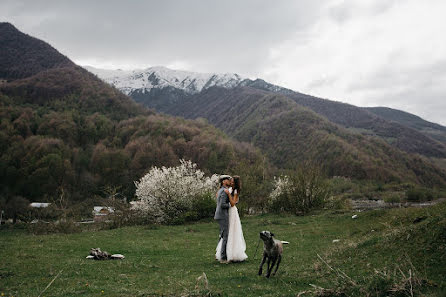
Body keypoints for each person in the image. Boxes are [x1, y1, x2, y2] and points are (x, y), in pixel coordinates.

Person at [215, 176, 248, 262]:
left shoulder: (235, 191)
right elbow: (222, 197)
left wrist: (229, 194)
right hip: (226, 212)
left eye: (232, 181)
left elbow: (233, 203)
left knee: (231, 231)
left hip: (232, 211)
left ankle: (232, 253)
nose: (231, 182)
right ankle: (222, 253)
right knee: (225, 233)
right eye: (230, 181)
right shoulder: (226, 189)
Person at [214, 175, 232, 263]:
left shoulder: (220, 190)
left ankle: (217, 254)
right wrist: (231, 205)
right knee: (225, 236)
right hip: (222, 215)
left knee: (222, 235)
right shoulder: (224, 191)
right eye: (228, 180)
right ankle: (223, 257)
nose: (229, 181)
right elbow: (222, 205)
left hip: (219, 215)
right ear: (223, 181)